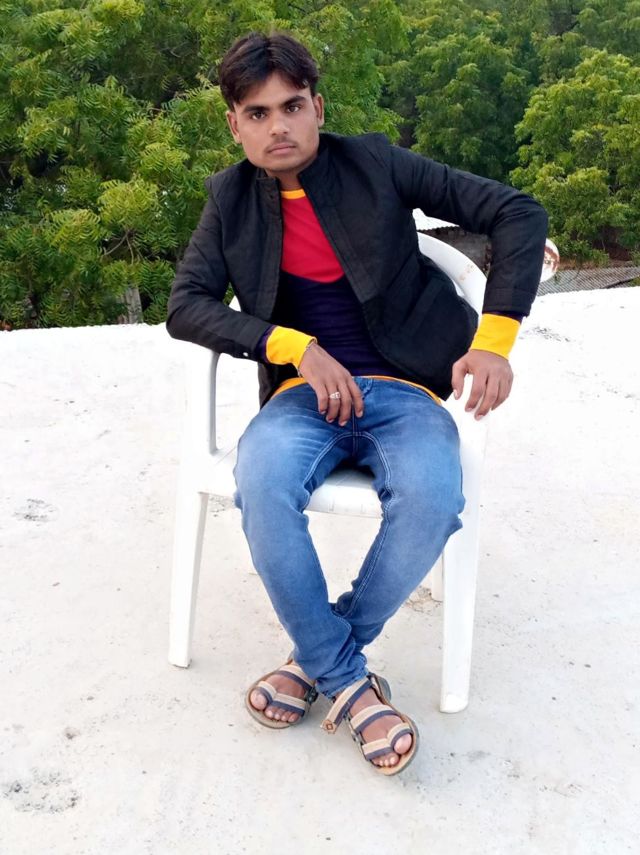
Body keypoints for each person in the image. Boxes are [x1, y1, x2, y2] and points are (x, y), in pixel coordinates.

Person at [166, 31, 548, 776]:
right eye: (257, 113)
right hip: (301, 398)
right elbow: (187, 305)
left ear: (317, 107)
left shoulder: (376, 162)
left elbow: (517, 212)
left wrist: (495, 340)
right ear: (234, 124)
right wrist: (292, 346)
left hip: (405, 391)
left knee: (434, 496)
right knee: (262, 484)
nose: (278, 126)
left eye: (292, 106)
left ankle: (318, 662)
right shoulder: (229, 199)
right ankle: (350, 684)